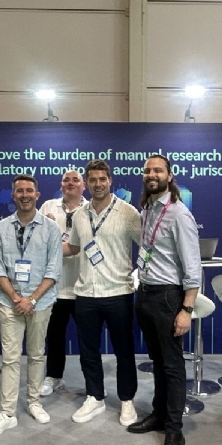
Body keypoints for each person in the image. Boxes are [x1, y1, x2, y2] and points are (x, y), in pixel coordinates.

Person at [127, 154, 201, 445]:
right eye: (147, 170)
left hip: (169, 298)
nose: (151, 174)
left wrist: (186, 309)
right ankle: (159, 415)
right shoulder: (147, 209)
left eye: (158, 170)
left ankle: (174, 431)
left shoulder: (179, 214)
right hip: (146, 294)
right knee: (157, 362)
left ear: (169, 176)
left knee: (172, 366)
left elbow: (193, 268)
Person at [65, 160, 141, 426]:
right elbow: (74, 247)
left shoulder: (128, 213)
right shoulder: (79, 215)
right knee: (88, 351)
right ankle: (95, 396)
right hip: (86, 293)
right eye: (93, 180)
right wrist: (43, 249)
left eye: (102, 179)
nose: (98, 184)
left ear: (110, 181)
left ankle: (127, 400)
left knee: (124, 351)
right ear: (86, 183)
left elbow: (147, 246)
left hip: (118, 292)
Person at [0, 174, 62, 437]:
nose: (25, 195)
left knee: (37, 354)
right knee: (10, 358)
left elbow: (53, 270)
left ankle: (33, 402)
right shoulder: (1, 228)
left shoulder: (51, 228)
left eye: (29, 190)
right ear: (13, 195)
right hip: (9, 302)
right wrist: (17, 298)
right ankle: (7, 412)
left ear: (37, 195)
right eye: (20, 191)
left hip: (41, 302)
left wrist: (32, 299)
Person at [38, 169, 87, 396]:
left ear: (83, 186)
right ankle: (54, 377)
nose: (70, 183)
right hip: (54, 287)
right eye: (66, 180)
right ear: (61, 185)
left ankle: (93, 382)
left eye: (76, 180)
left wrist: (54, 247)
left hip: (83, 287)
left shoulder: (90, 209)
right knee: (54, 337)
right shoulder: (48, 206)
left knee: (87, 340)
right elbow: (36, 240)